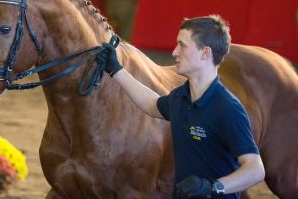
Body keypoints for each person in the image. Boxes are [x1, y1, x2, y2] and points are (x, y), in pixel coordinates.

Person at [98, 15, 265, 199]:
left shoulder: (227, 108)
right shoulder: (180, 97)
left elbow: (255, 169)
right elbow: (152, 104)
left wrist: (212, 186)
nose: (175, 52)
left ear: (205, 53)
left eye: (182, 45)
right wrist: (115, 69)